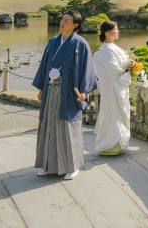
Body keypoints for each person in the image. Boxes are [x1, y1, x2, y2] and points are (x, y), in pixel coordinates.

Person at [32, 11, 97, 180]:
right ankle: (48, 165)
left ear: (75, 24)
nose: (62, 22)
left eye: (67, 20)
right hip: (50, 89)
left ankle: (72, 166)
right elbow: (45, 65)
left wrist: (83, 91)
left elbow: (87, 68)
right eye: (62, 20)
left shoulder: (80, 44)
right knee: (49, 125)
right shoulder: (53, 42)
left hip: (68, 91)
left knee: (67, 127)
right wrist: (41, 87)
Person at [93, 21, 132, 156]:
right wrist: (129, 69)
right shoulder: (105, 51)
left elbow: (121, 67)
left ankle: (117, 143)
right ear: (108, 33)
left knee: (119, 114)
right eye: (116, 29)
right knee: (112, 115)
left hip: (119, 89)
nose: (118, 31)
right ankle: (109, 144)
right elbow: (114, 72)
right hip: (112, 89)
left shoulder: (113, 48)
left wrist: (131, 66)